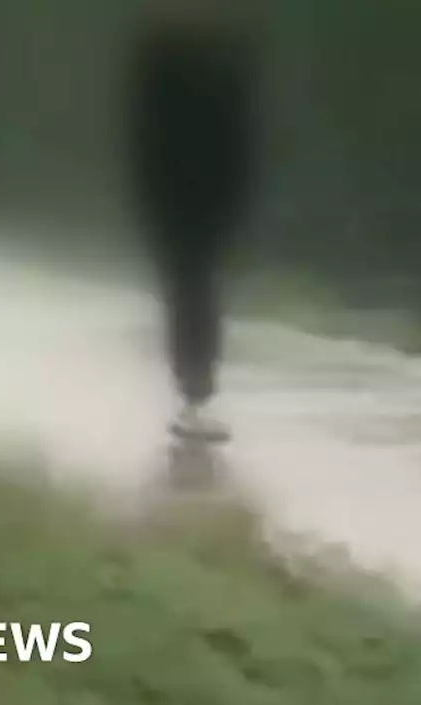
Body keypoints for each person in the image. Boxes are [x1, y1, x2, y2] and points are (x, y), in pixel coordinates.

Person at [124, 0, 265, 441]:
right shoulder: (161, 56)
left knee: (196, 283)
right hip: (176, 189)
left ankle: (195, 390)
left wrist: (238, 189)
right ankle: (194, 391)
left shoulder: (225, 54)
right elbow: (147, 135)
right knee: (192, 283)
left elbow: (240, 132)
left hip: (207, 187)